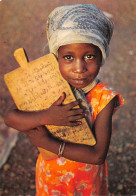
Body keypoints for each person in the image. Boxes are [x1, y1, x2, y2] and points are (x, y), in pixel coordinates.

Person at [4, 4, 124, 196]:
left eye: (89, 56)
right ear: (55, 58)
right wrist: (47, 116)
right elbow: (10, 117)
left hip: (85, 181)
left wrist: (49, 144)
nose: (79, 67)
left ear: (101, 58)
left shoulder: (104, 98)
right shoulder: (47, 83)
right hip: (51, 178)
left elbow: (98, 155)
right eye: (68, 57)